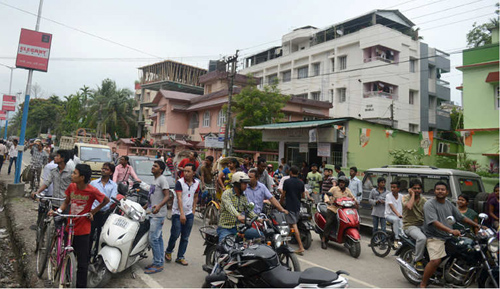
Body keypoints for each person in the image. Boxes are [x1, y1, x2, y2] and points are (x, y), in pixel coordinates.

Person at [49, 164, 109, 288]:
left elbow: (105, 200)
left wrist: (93, 212)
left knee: (82, 263)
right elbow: (66, 202)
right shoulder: (71, 187)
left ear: (82, 177)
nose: (72, 175)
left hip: (83, 231)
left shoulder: (91, 190)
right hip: (69, 228)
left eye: (74, 173)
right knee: (67, 256)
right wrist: (58, 211)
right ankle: (65, 281)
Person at [420, 181, 484, 288]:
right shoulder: (429, 204)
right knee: (436, 261)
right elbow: (434, 222)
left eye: (443, 189)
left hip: (447, 236)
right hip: (435, 236)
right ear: (434, 191)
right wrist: (450, 231)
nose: (440, 191)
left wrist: (478, 226)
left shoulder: (449, 203)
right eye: (438, 189)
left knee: (465, 250)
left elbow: (461, 217)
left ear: (447, 192)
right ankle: (423, 283)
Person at [165, 163, 199, 266]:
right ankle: (169, 251)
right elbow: (179, 198)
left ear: (193, 173)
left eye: (188, 171)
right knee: (175, 234)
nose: (186, 173)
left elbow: (195, 197)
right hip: (177, 213)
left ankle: (180, 257)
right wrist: (182, 214)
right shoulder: (179, 183)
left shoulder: (196, 183)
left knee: (185, 237)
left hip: (189, 214)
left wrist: (193, 211)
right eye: (184, 171)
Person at [217, 172, 259, 243]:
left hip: (239, 228)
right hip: (226, 228)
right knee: (224, 246)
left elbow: (248, 211)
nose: (246, 186)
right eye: (244, 184)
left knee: (260, 235)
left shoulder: (243, 197)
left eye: (246, 184)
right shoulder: (227, 194)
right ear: (237, 184)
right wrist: (238, 216)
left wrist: (259, 219)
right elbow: (229, 206)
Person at [144, 160, 170, 274]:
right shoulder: (154, 179)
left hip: (158, 215)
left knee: (153, 238)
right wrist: (146, 206)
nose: (153, 167)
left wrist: (159, 206)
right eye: (153, 165)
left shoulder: (162, 179)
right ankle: (158, 262)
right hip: (152, 212)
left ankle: (158, 264)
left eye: (155, 166)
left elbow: (167, 196)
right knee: (158, 238)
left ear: (161, 170)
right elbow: (152, 196)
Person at [89, 162, 118, 260]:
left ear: (111, 173)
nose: (103, 170)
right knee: (90, 234)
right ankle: (87, 256)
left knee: (101, 236)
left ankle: (97, 256)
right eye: (103, 168)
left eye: (106, 169)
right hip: (93, 212)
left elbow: (112, 199)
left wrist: (102, 207)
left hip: (104, 213)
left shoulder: (113, 185)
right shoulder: (93, 183)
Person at [322, 176, 357, 249]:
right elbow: (326, 194)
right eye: (340, 182)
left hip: (343, 209)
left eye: (343, 183)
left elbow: (352, 197)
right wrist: (327, 200)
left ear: (346, 184)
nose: (341, 184)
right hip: (333, 208)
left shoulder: (347, 190)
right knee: (329, 222)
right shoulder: (334, 189)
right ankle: (324, 239)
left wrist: (356, 202)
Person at [402, 179, 427, 272]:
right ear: (410, 189)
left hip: (422, 225)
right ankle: (418, 260)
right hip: (409, 226)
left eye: (419, 188)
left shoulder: (424, 200)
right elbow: (409, 207)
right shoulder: (405, 197)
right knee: (422, 238)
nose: (417, 190)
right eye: (414, 188)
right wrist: (412, 195)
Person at [281, 165, 306, 255]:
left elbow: (283, 195)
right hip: (297, 206)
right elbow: (303, 196)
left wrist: (280, 204)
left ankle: (300, 246)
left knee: (293, 225)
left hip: (289, 206)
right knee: (290, 225)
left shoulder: (287, 182)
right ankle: (284, 243)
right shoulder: (301, 182)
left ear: (290, 172)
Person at [385, 181, 403, 249]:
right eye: (391, 187)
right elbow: (392, 207)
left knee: (404, 228)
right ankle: (396, 239)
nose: (392, 189)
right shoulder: (388, 196)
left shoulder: (402, 196)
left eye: (394, 187)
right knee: (396, 220)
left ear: (398, 189)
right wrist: (398, 215)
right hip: (389, 216)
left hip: (399, 217)